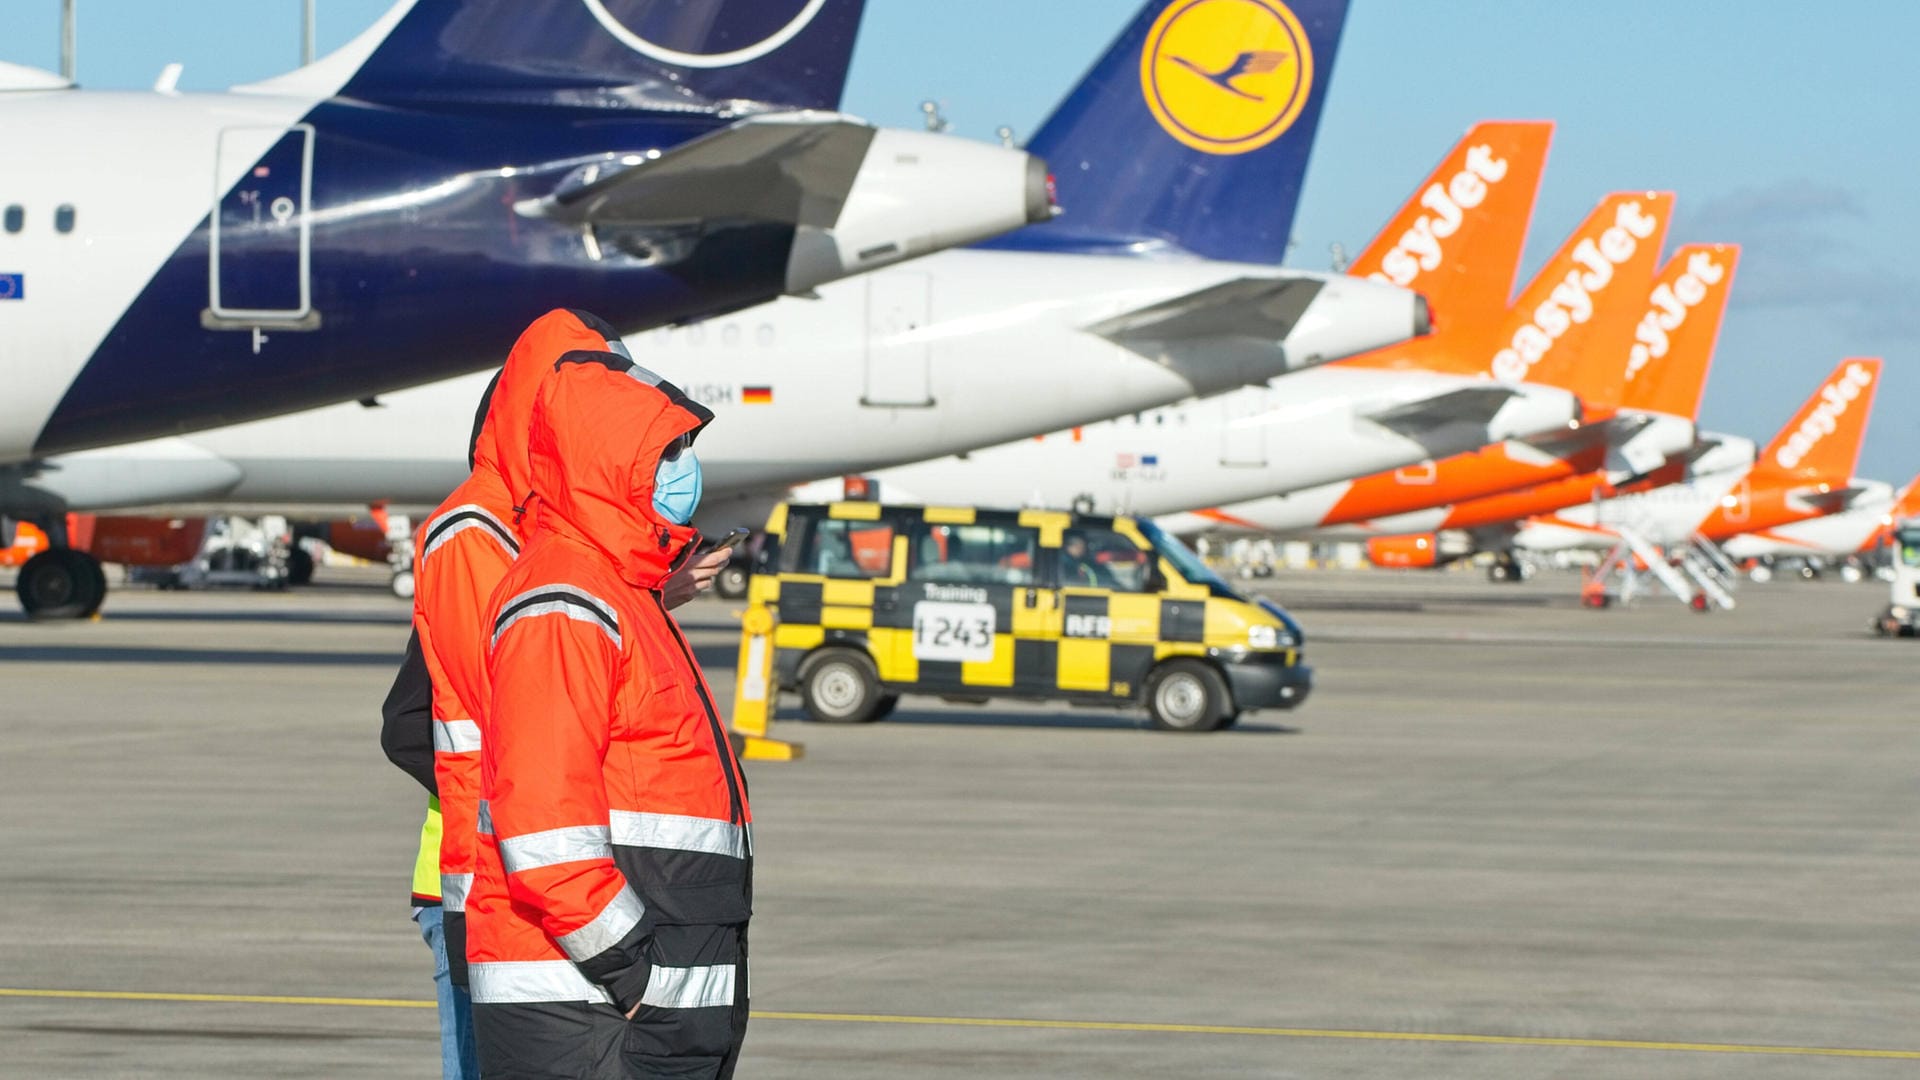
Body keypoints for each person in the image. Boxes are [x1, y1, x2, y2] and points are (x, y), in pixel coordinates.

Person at [381, 311, 729, 1080]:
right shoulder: (486, 536)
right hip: (504, 892)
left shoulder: (563, 554)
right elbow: (496, 719)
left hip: (556, 897)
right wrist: (633, 962)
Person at [467, 350, 752, 1078]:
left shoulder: (624, 594)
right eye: (666, 452)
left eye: (685, 449)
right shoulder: (566, 602)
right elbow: (545, 831)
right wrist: (637, 976)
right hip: (590, 1009)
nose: (684, 469)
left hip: (640, 1007)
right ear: (608, 464)